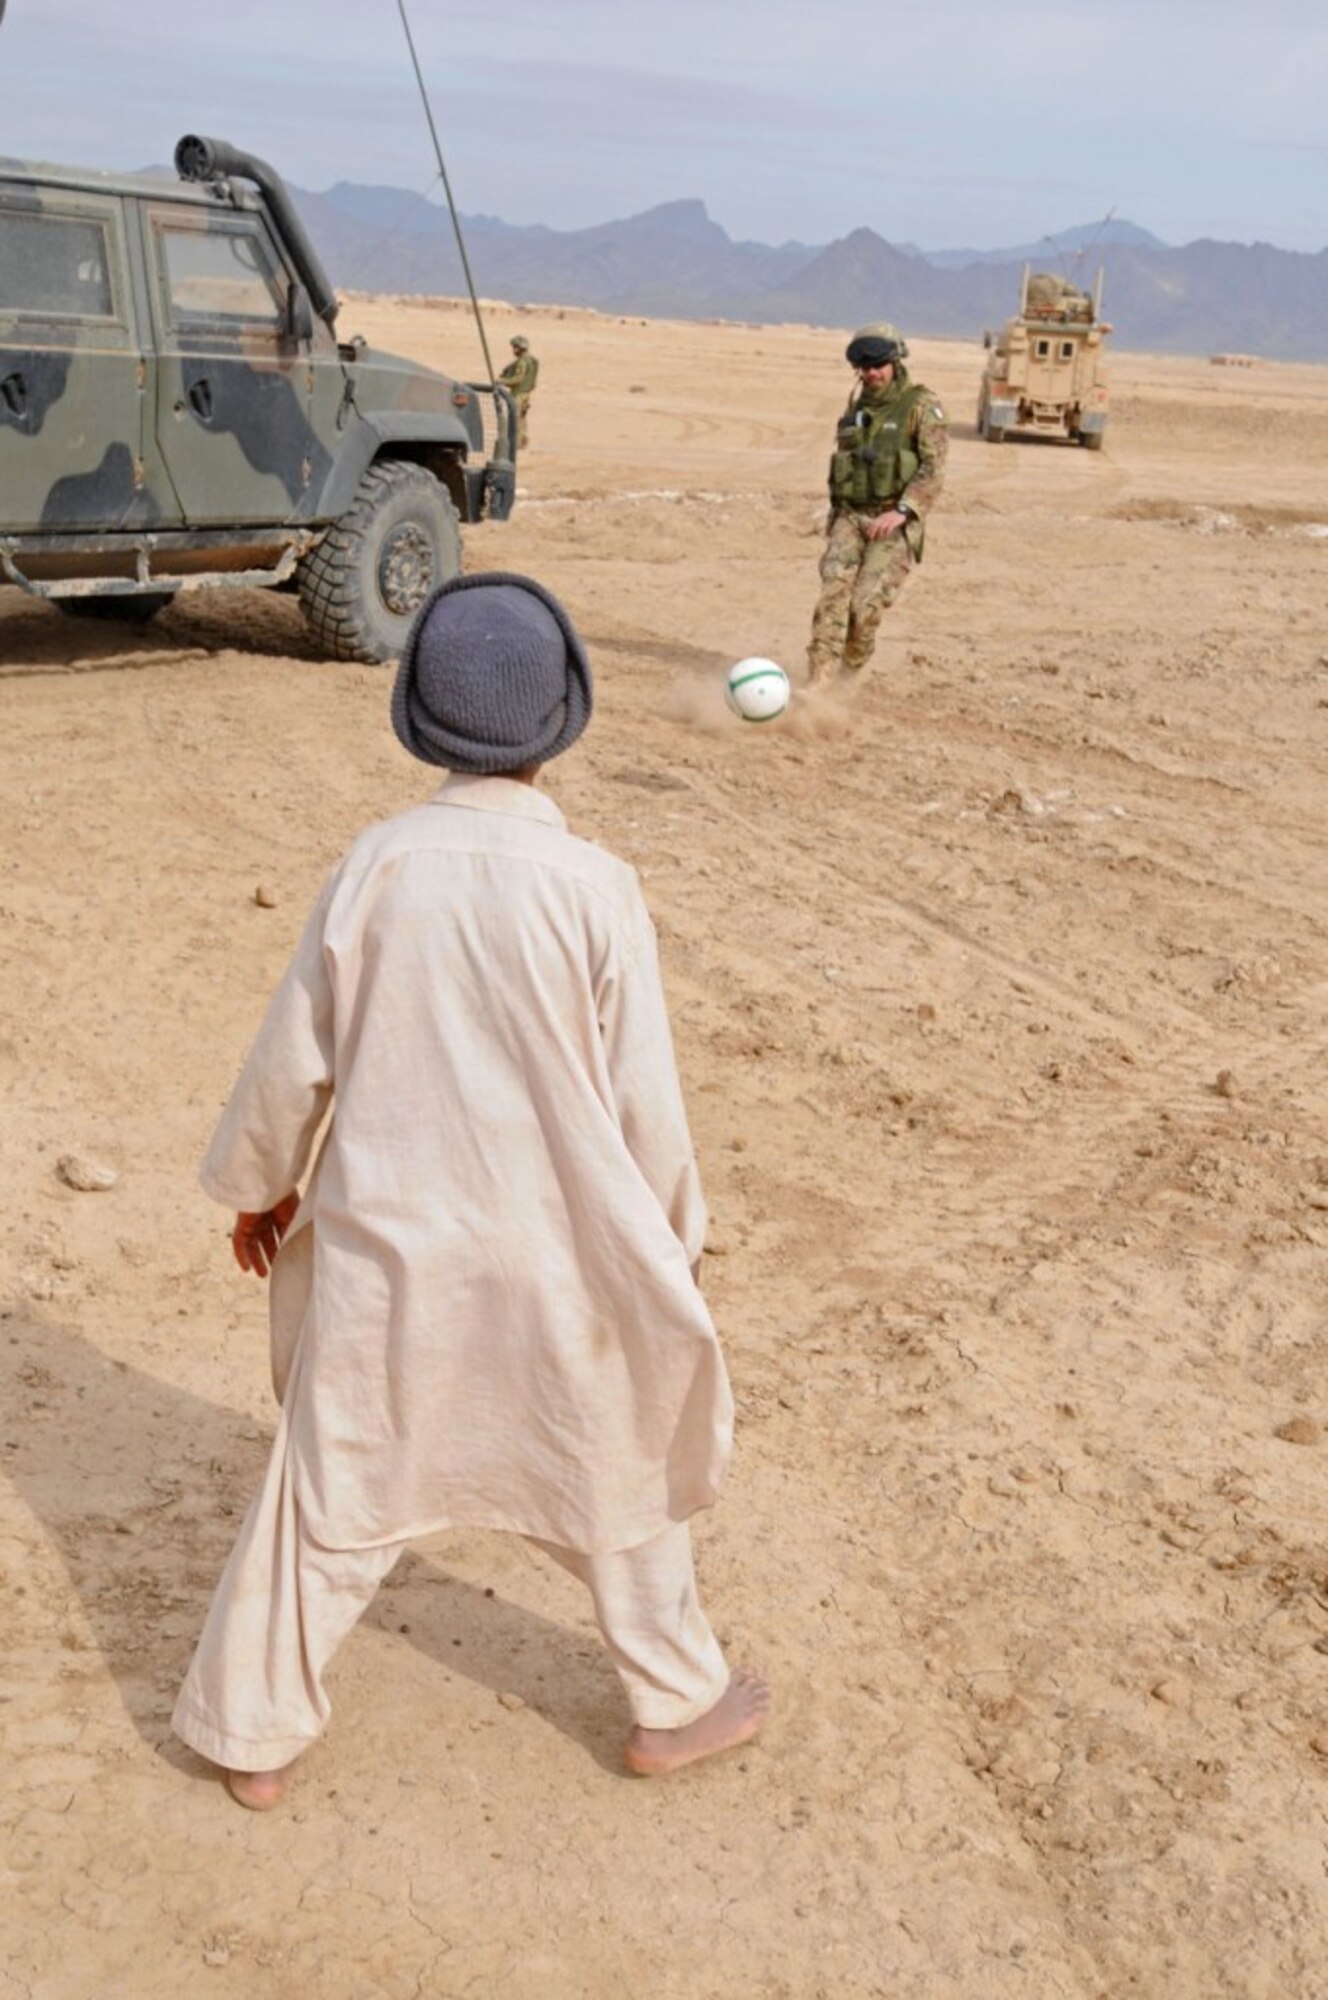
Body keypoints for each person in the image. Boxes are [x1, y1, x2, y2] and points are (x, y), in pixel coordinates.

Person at [171, 571, 771, 1810]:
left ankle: (253, 1727)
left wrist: (261, 1187)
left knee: (331, 1484)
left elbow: (296, 1055)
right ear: (565, 718)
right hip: (565, 1258)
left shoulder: (377, 866)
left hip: (395, 1249)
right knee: (618, 1464)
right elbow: (642, 1098)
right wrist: (673, 1240)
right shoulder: (596, 886)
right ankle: (675, 1699)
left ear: (417, 714)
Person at [806, 322, 948, 686]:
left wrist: (902, 511)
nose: (871, 374)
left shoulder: (920, 405)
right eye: (865, 368)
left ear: (895, 362)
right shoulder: (856, 409)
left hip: (894, 520)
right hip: (851, 516)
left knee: (863, 606)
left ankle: (848, 675)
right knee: (833, 595)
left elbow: (933, 469)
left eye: (878, 366)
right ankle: (818, 681)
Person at [499, 333, 539, 450]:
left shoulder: (522, 362)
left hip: (519, 394)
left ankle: (516, 445)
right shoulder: (532, 360)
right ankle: (523, 443)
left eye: (515, 347)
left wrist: (501, 381)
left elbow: (518, 379)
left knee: (515, 419)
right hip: (526, 394)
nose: (513, 350)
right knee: (522, 419)